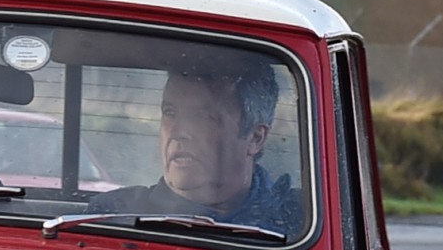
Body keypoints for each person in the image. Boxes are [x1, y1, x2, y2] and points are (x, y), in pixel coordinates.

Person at [88, 58, 304, 238]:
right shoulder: (112, 216)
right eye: (170, 113)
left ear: (255, 138)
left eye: (203, 117)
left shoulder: (298, 224)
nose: (178, 132)